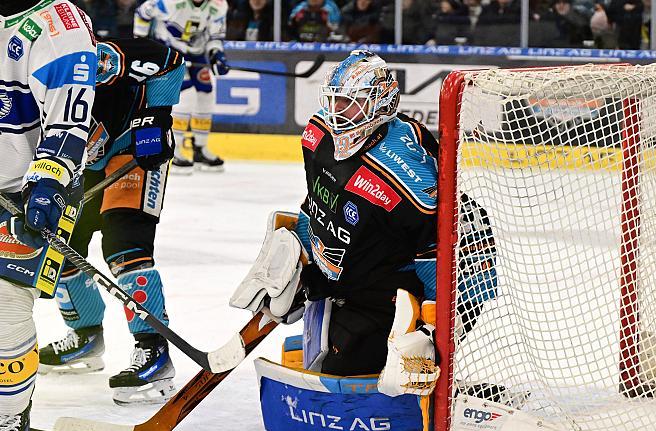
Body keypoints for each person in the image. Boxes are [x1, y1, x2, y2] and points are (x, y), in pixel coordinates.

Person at [231, 50, 440, 395]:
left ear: (382, 104)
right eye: (333, 102)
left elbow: (432, 253)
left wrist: (432, 325)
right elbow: (314, 200)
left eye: (349, 103)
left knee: (346, 372)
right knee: (325, 359)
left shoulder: (409, 175)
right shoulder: (317, 133)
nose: (337, 113)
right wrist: (301, 262)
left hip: (385, 292)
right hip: (339, 280)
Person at [37, 38, 184, 406]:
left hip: (130, 151)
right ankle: (86, 334)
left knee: (124, 246)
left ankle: (153, 348)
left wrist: (157, 117)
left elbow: (170, 61)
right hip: (73, 165)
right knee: (61, 244)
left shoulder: (93, 62)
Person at [0, 0, 96, 431]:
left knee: (5, 307)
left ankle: (8, 417)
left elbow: (69, 120)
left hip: (30, 190)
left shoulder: (59, 24)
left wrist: (48, 180)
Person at [134, 0, 229, 173]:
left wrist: (216, 54)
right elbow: (142, 12)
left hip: (196, 52)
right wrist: (140, 43)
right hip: (169, 51)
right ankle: (175, 149)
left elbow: (215, 37)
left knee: (206, 93)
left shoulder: (219, 4)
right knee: (187, 95)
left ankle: (200, 149)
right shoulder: (169, 2)